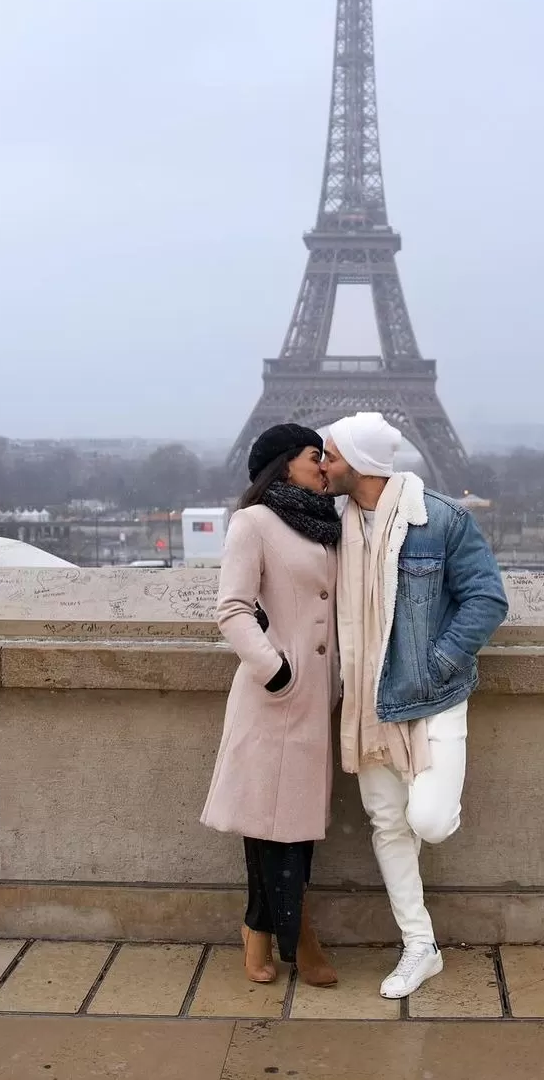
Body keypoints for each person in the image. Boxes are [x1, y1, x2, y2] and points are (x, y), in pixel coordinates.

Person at [321, 412, 508, 999]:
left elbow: (487, 598)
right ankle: (419, 946)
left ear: (360, 461)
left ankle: (419, 935)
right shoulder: (332, 524)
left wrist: (437, 664)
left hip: (433, 695)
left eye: (330, 455)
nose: (322, 465)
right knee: (387, 824)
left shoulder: (443, 519)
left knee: (425, 820)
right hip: (367, 699)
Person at [200, 423, 342, 988]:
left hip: (318, 698)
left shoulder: (330, 523)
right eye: (315, 456)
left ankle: (266, 928)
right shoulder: (254, 522)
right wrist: (277, 670)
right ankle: (292, 933)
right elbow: (231, 607)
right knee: (268, 826)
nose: (324, 465)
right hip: (275, 697)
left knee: (294, 828)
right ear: (285, 464)